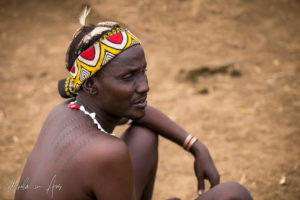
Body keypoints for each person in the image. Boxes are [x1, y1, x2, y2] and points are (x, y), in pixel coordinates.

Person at [15, 21, 253, 200]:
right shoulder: (108, 153)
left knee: (144, 134)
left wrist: (194, 145)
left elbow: (143, 113)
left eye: (143, 71)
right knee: (233, 194)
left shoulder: (65, 109)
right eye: (128, 76)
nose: (144, 85)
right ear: (90, 84)